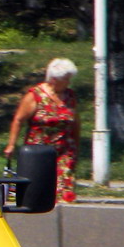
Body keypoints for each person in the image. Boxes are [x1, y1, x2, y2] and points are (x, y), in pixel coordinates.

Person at [4, 57, 80, 203]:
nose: (69, 82)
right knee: (38, 191)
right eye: (66, 79)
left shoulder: (70, 96)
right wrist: (11, 144)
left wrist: (75, 146)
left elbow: (75, 122)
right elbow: (18, 120)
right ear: (53, 79)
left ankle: (65, 216)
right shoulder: (35, 96)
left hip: (64, 151)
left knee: (65, 191)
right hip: (39, 152)